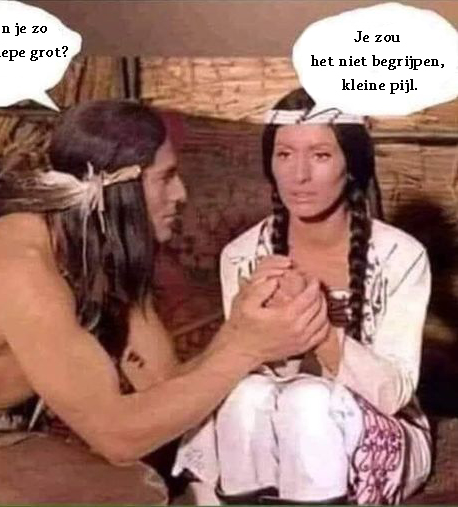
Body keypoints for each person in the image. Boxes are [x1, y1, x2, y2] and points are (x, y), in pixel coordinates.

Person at [0, 100, 330, 505]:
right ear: (119, 188)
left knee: (138, 485)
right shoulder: (21, 268)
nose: (181, 193)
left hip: (4, 445)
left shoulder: (99, 254)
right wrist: (246, 349)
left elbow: (164, 387)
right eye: (166, 177)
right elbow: (119, 437)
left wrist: (239, 331)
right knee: (124, 493)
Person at [173, 89, 432, 505]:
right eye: (284, 155)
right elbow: (240, 371)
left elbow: (393, 395)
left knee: (308, 401)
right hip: (272, 426)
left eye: (321, 155)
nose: (299, 175)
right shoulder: (243, 255)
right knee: (245, 396)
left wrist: (317, 327)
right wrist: (253, 321)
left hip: (379, 425)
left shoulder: (400, 255)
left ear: (352, 165)